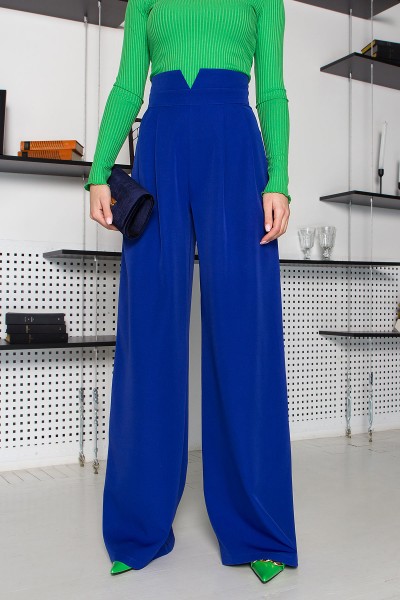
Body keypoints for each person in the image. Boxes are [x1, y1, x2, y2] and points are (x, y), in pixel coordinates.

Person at [84, 0, 298, 585]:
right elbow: (128, 85)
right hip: (160, 146)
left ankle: (259, 530)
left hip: (235, 147)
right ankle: (139, 527)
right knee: (149, 330)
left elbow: (272, 90)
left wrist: (279, 179)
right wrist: (99, 170)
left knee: (245, 332)